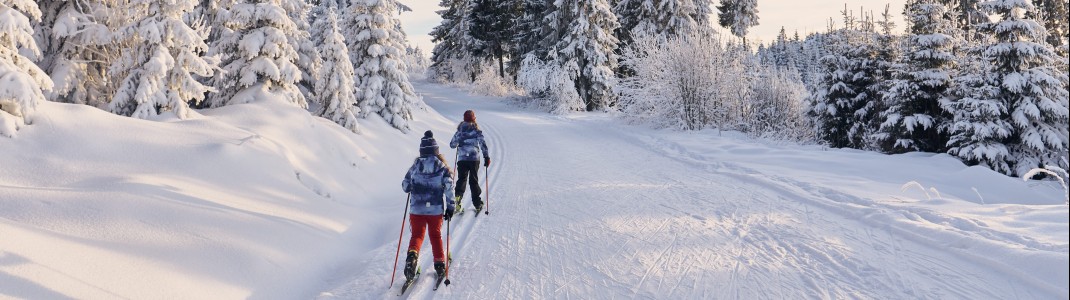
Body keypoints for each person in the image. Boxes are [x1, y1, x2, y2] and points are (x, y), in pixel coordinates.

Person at [401, 130, 456, 281]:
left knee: (417, 235)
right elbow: (449, 188)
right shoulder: (442, 167)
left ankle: (412, 258)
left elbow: (405, 186)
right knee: (435, 235)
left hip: (416, 210)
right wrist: (451, 207)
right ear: (436, 151)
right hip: (435, 210)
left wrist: (413, 186)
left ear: (421, 152)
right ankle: (439, 264)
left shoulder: (415, 166)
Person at [450, 110, 490, 212]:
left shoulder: (459, 131)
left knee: (461, 179)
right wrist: (486, 157)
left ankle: (458, 199)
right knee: (473, 181)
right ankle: (477, 204)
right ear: (473, 119)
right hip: (474, 159)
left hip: (462, 159)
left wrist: (460, 142)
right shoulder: (477, 130)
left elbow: (452, 145)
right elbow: (483, 144)